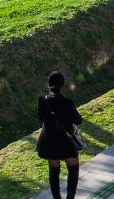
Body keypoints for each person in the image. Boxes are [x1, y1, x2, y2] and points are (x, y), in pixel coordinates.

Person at [37, 71, 82, 199]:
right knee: (73, 166)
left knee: (53, 168)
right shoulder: (67, 101)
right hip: (66, 140)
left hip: (49, 140)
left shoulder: (42, 101)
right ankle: (70, 197)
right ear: (62, 85)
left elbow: (41, 118)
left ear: (49, 85)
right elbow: (78, 120)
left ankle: (57, 197)